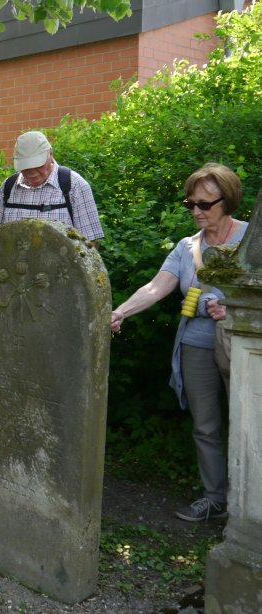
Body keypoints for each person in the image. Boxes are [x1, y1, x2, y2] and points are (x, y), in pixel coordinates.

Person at [110, 163, 247, 523]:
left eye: (205, 204)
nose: (196, 211)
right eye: (191, 204)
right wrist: (120, 312)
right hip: (196, 344)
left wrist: (233, 308)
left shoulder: (251, 240)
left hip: (244, 345)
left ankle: (250, 507)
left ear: (227, 201)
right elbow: (156, 286)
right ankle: (215, 499)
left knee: (249, 425)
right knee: (205, 426)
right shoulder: (188, 247)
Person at [0, 131, 104, 244]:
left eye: (38, 165)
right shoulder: (8, 187)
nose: (31, 172)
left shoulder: (75, 186)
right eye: (25, 167)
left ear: (50, 154)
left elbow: (90, 244)